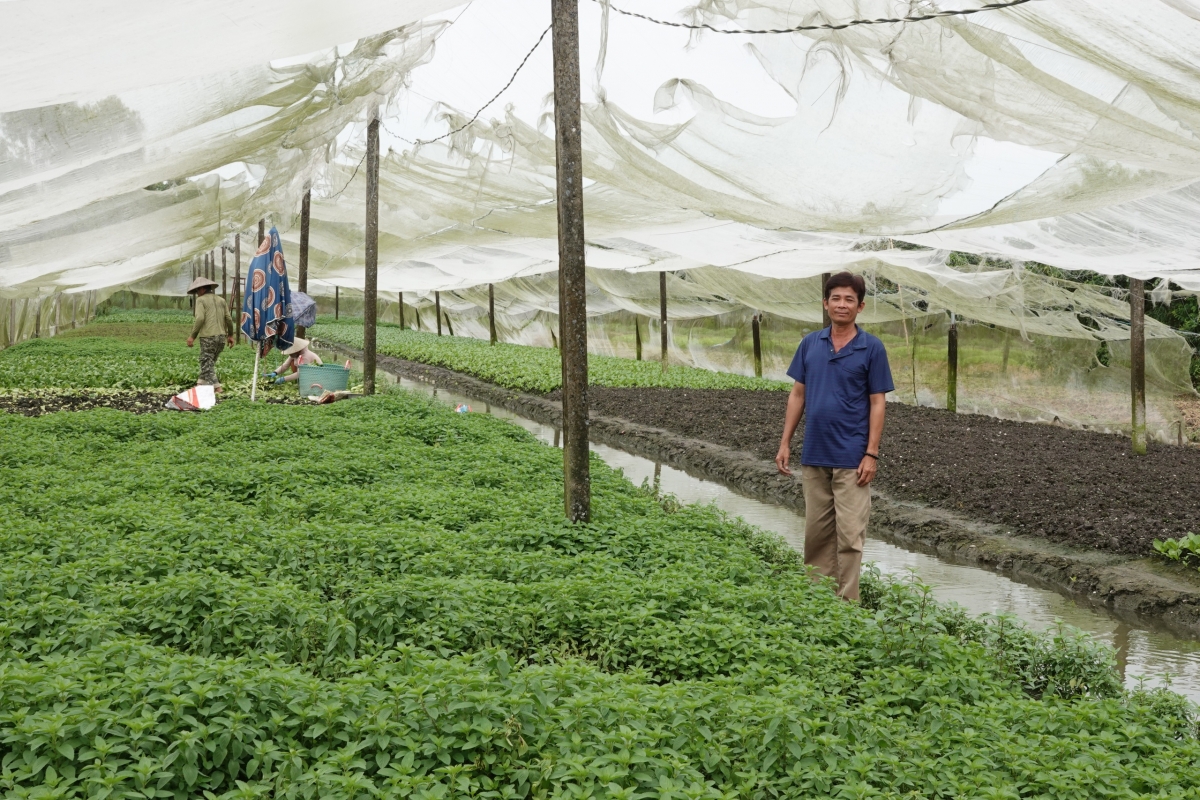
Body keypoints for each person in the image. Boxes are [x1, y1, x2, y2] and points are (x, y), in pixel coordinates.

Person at [775, 272, 894, 601]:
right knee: (816, 534)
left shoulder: (872, 348)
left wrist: (871, 453)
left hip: (852, 457)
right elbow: (798, 395)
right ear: (825, 304)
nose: (842, 305)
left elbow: (877, 402)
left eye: (849, 299)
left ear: (860, 307)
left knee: (850, 536)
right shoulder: (810, 343)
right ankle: (819, 601)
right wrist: (785, 442)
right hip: (815, 453)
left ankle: (846, 605)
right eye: (836, 298)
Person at [186, 277, 234, 390]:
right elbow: (229, 319)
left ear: (202, 289)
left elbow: (200, 318)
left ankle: (217, 388)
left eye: (197, 291)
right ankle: (200, 384)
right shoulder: (221, 300)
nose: (197, 293)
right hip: (221, 338)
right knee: (209, 363)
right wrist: (230, 335)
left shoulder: (201, 300)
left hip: (208, 337)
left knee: (206, 362)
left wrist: (192, 336)